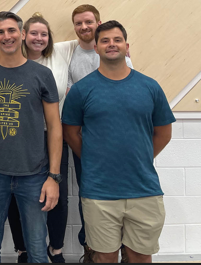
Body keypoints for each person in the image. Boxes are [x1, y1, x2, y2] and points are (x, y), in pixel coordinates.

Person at [62, 21, 174, 264]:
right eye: (105, 40)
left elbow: (164, 133)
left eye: (117, 40)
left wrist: (140, 157)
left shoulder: (149, 87)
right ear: (96, 48)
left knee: (140, 256)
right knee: (104, 256)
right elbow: (71, 134)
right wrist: (95, 159)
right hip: (99, 192)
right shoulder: (82, 90)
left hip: (144, 190)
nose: (111, 44)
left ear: (126, 46)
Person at [0, 11, 62, 264]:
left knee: (38, 250)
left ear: (21, 35)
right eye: (0, 32)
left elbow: (54, 126)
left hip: (34, 174)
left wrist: (53, 176)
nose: (6, 36)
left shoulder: (41, 74)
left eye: (11, 31)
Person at [66, 5, 132, 262]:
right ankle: (91, 248)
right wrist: (85, 151)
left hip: (120, 141)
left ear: (98, 22)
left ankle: (126, 248)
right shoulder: (69, 54)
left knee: (126, 196)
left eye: (88, 22)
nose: (84, 27)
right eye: (79, 23)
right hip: (86, 140)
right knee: (89, 196)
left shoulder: (119, 53)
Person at [6, 13, 74, 263]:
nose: (39, 38)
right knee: (18, 194)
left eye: (43, 34)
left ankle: (55, 249)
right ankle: (23, 249)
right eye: (33, 33)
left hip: (55, 135)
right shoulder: (14, 60)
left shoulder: (62, 52)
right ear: (23, 35)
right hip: (22, 138)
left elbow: (89, 38)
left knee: (59, 195)